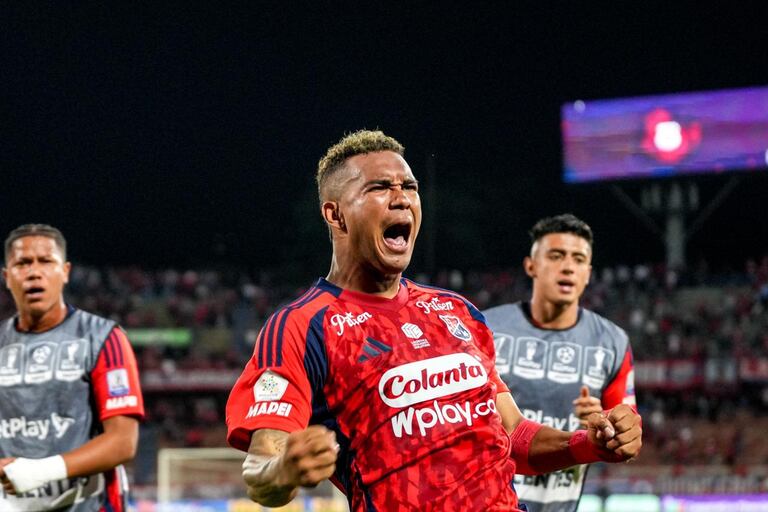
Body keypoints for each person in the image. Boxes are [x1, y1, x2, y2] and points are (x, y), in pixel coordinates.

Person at [225, 131, 641, 511]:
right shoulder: (302, 326)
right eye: (379, 187)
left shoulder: (456, 311)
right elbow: (261, 465)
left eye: (409, 187)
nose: (401, 197)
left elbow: (513, 437)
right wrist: (284, 470)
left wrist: (591, 444)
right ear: (335, 216)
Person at [483, 214, 637, 512]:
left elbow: (625, 428)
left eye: (579, 259)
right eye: (556, 256)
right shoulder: (485, 327)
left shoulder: (613, 342)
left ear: (589, 273)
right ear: (531, 265)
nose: (568, 266)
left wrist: (609, 426)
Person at [0, 224, 145, 511]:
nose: (33, 272)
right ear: (7, 277)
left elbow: (123, 441)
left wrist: (38, 472)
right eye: (22, 263)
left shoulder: (104, 338)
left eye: (46, 261)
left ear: (65, 271)